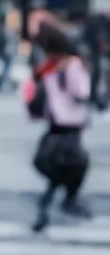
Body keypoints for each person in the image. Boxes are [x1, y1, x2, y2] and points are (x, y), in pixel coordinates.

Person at [30, 21, 92, 233]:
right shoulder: (54, 65)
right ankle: (62, 200)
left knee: (64, 165)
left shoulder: (71, 65)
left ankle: (50, 206)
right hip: (59, 123)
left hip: (69, 125)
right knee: (50, 164)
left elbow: (81, 93)